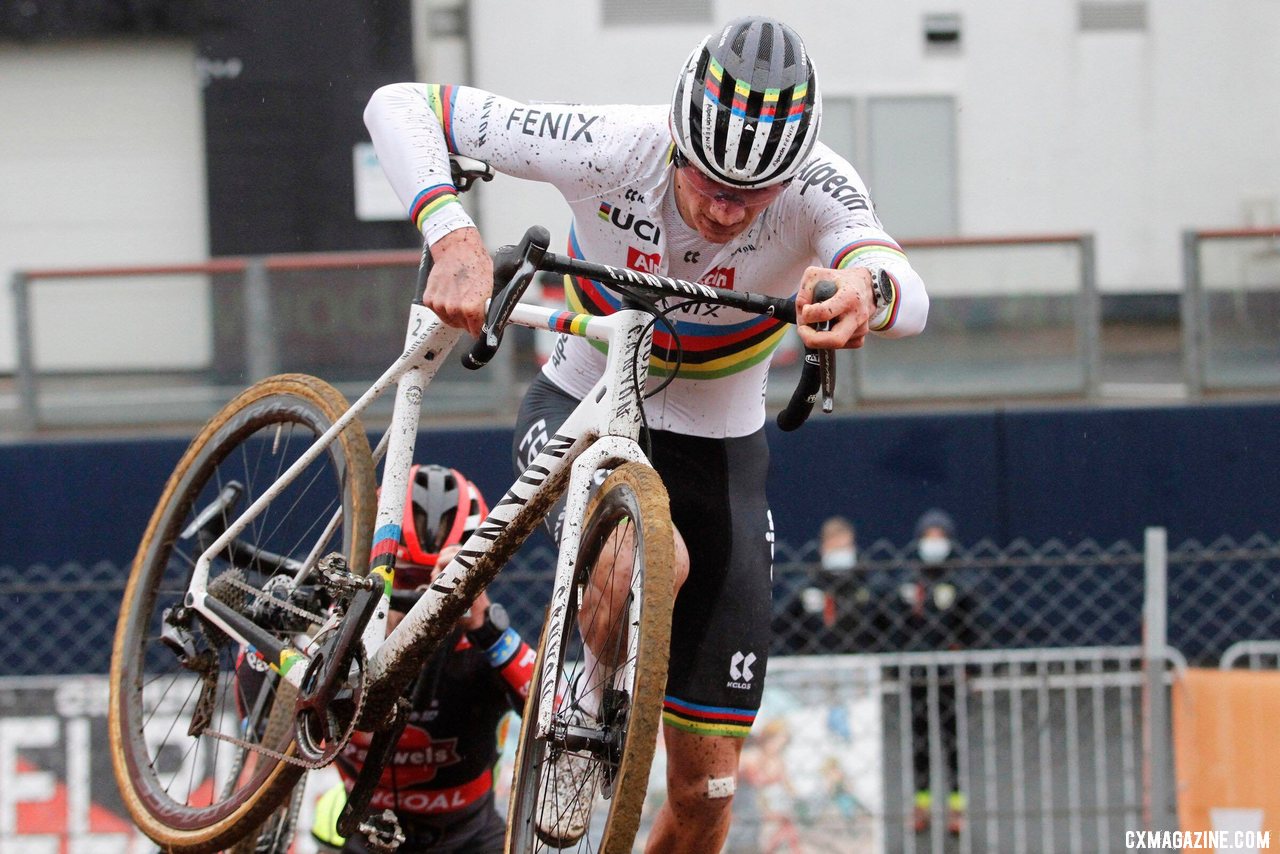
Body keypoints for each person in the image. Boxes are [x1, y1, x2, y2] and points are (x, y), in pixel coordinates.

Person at [363, 16, 928, 852]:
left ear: (791, 171)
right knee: (651, 555)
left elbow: (902, 285)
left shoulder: (819, 184)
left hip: (724, 454)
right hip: (583, 400)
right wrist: (450, 231)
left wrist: (862, 294)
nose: (724, 209)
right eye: (708, 182)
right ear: (675, 138)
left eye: (753, 194)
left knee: (707, 794)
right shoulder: (610, 144)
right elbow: (397, 104)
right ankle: (583, 693)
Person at [309, 465, 536, 853]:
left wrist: (485, 627)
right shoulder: (335, 633)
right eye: (405, 583)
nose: (417, 607)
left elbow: (559, 713)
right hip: (362, 834)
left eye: (435, 587)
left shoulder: (483, 644)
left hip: (470, 837)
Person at [899, 508, 975, 837]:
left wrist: (970, 668)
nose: (934, 543)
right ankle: (922, 805)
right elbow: (894, 627)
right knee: (920, 741)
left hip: (949, 674)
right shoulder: (906, 581)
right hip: (917, 673)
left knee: (952, 741)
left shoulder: (960, 580)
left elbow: (972, 627)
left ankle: (957, 807)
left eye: (939, 537)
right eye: (928, 537)